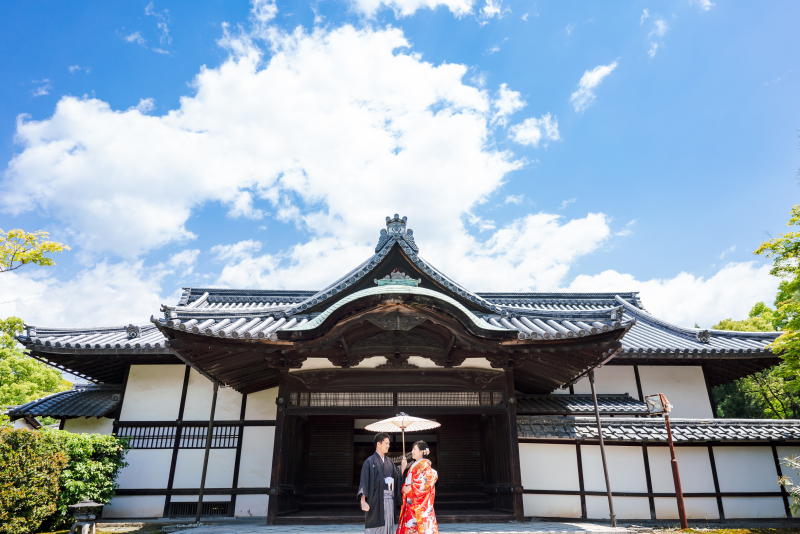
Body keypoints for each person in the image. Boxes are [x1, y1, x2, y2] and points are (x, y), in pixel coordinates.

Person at [358, 433, 408, 534]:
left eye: (388, 443)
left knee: (388, 526)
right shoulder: (369, 461)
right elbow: (364, 481)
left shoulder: (389, 462)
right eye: (386, 443)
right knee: (374, 526)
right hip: (375, 501)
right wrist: (363, 501)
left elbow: (396, 478)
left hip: (389, 500)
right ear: (378, 444)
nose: (388, 445)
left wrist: (402, 468)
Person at [396, 440, 438, 534]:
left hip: (419, 503)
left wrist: (411, 487)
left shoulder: (425, 464)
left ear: (421, 451)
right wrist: (404, 487)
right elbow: (408, 482)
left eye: (414, 449)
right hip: (411, 502)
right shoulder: (413, 465)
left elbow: (428, 479)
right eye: (412, 449)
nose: (412, 451)